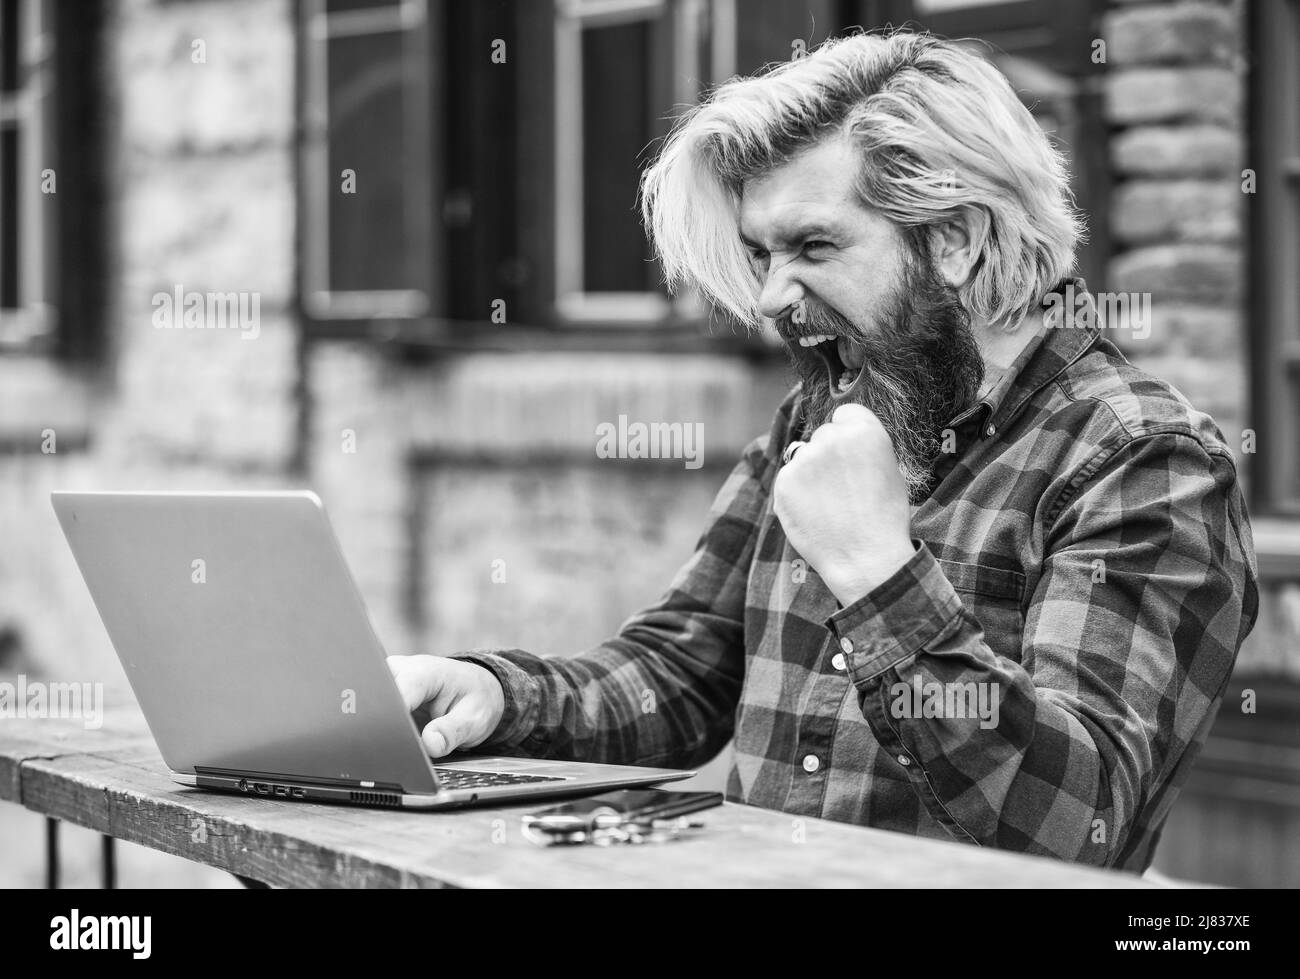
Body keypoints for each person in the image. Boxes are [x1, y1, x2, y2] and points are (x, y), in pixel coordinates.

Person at [389, 30, 1257, 871]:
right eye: (763, 252)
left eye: (815, 246)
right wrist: (499, 695)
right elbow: (679, 674)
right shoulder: (820, 414)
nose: (770, 295)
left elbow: (1080, 820)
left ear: (953, 240)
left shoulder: (1144, 459)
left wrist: (881, 577)